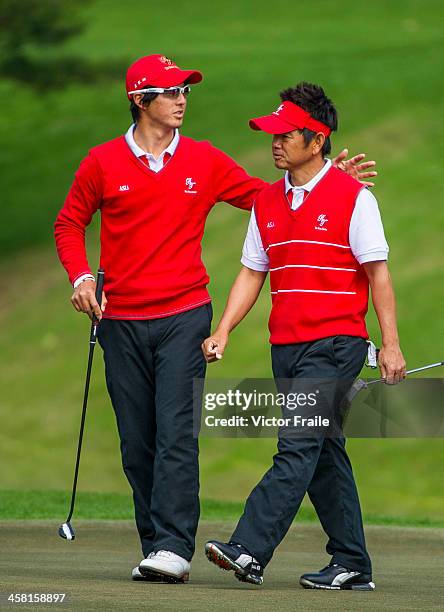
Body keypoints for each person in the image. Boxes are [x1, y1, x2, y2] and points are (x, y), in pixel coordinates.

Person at [54, 55, 376, 583]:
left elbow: (266, 199)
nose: (182, 98)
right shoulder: (102, 162)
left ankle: (175, 548)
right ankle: (157, 544)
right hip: (121, 320)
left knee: (176, 434)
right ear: (140, 100)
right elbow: (69, 223)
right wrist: (81, 278)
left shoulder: (203, 160)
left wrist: (327, 183)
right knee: (137, 443)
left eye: (185, 89)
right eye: (170, 91)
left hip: (185, 315)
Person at [202, 82, 406, 590]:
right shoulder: (266, 202)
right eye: (271, 133)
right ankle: (352, 562)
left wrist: (391, 344)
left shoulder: (354, 199)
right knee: (322, 455)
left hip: (335, 344)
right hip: (285, 346)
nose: (273, 142)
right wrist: (223, 329)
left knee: (295, 448)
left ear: (316, 141)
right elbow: (253, 273)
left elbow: (378, 273)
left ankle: (248, 549)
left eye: (284, 134)